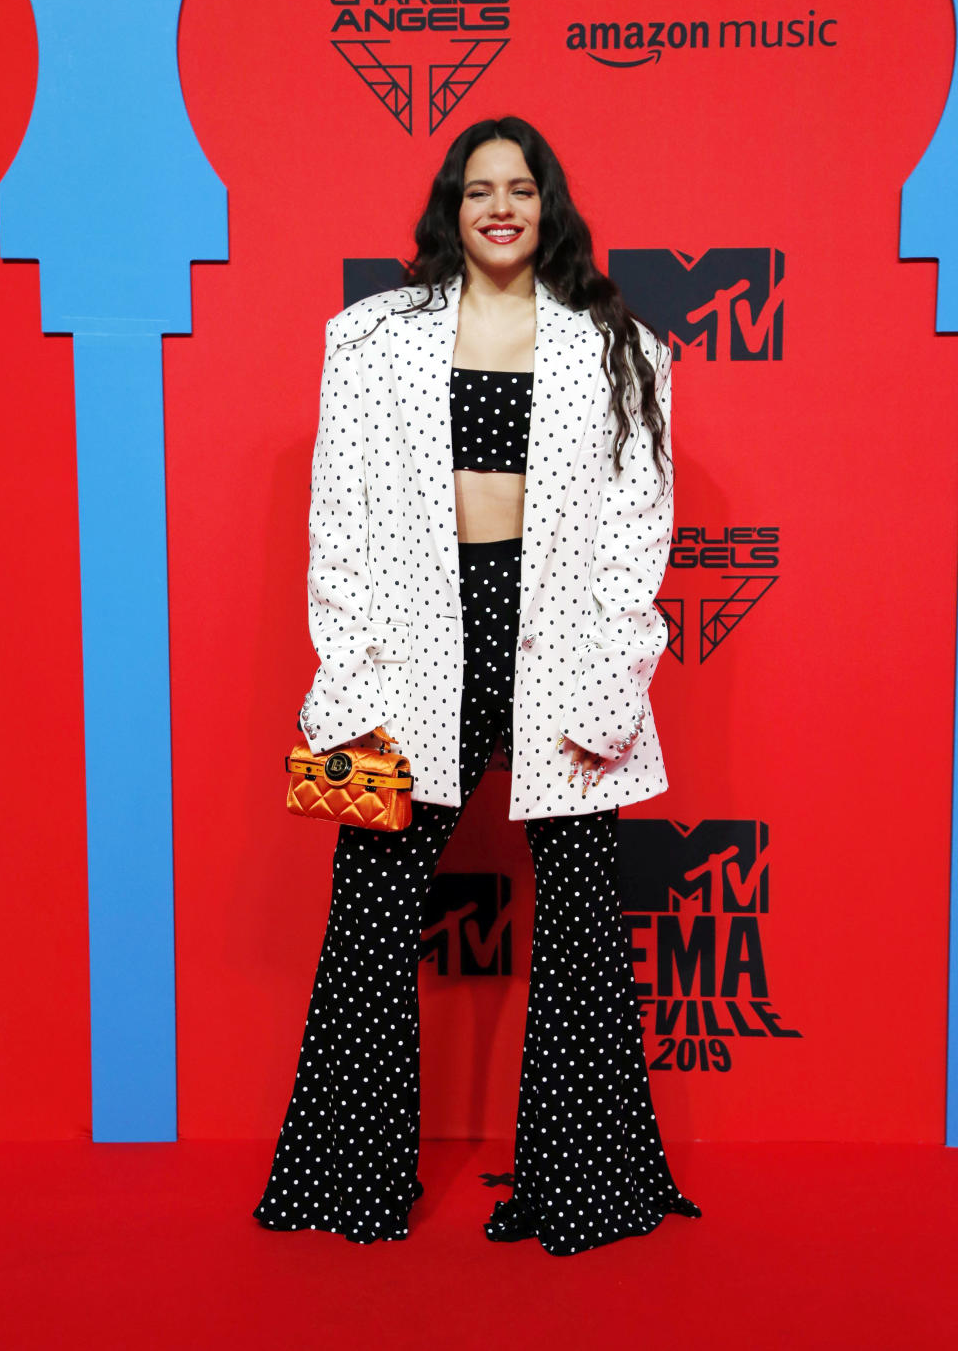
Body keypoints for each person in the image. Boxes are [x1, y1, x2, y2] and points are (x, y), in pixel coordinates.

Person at [252, 115, 701, 1256]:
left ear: (549, 206)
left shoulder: (619, 345)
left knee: (586, 919)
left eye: (522, 188)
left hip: (560, 643)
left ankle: (586, 1190)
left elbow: (635, 529)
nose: (501, 207)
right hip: (406, 643)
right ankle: (344, 1184)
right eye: (478, 189)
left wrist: (613, 676)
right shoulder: (368, 338)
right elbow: (337, 523)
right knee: (368, 910)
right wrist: (344, 675)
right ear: (452, 208)